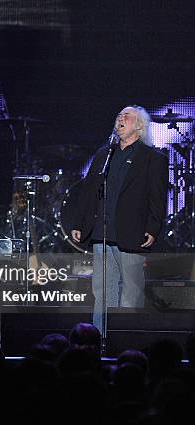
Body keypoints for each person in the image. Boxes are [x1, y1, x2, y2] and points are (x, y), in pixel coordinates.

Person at [71, 105, 168, 331]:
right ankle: (100, 338)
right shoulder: (104, 154)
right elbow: (88, 191)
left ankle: (125, 338)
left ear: (139, 126)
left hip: (132, 234)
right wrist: (80, 222)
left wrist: (153, 228)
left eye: (127, 116)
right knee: (103, 290)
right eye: (119, 116)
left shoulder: (153, 158)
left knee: (131, 290)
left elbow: (158, 198)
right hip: (101, 233)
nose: (120, 119)